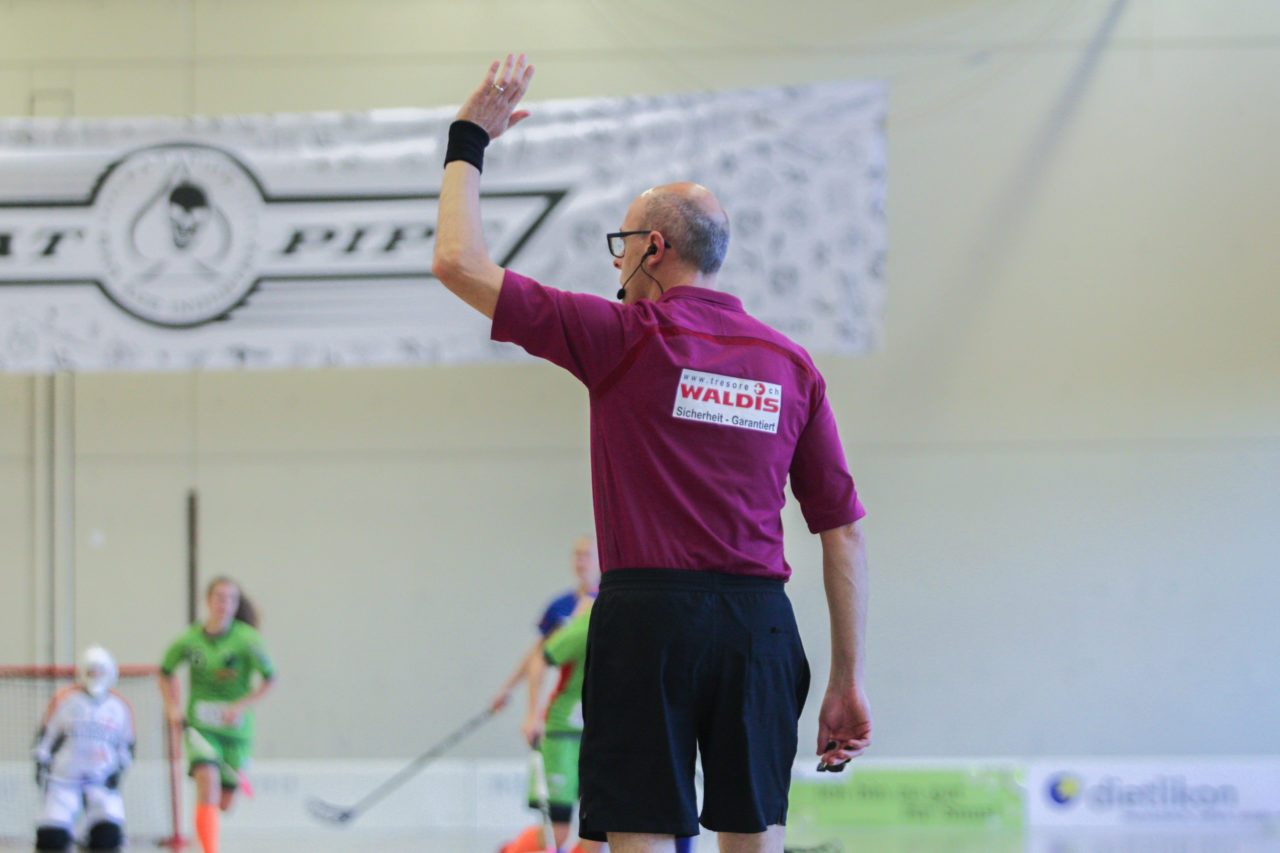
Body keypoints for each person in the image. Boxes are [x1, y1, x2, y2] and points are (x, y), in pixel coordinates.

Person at [433, 56, 871, 853]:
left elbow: (457, 263)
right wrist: (847, 676)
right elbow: (841, 533)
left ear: (654, 248)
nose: (615, 262)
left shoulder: (622, 338)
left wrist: (469, 140)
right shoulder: (792, 364)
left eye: (622, 244)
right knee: (755, 839)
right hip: (760, 626)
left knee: (637, 841)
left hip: (650, 619)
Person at [159, 577, 275, 853]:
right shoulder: (190, 639)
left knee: (223, 802)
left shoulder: (248, 639)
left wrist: (241, 705)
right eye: (219, 597)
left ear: (237, 605)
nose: (224, 603)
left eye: (230, 598)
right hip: (202, 727)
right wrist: (173, 707)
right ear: (209, 601)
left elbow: (270, 678)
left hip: (235, 732)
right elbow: (165, 672)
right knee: (206, 780)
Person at [32, 646, 134, 852]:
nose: (95, 676)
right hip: (64, 782)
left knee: (107, 838)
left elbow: (127, 746)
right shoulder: (65, 701)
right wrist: (40, 766)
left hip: (101, 783)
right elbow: (45, 740)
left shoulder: (119, 707)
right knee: (51, 841)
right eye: (90, 671)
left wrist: (119, 771)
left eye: (99, 671)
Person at [490, 536, 600, 715]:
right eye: (577, 555)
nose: (581, 561)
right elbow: (538, 652)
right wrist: (506, 689)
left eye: (587, 555)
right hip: (568, 698)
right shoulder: (560, 605)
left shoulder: (608, 603)